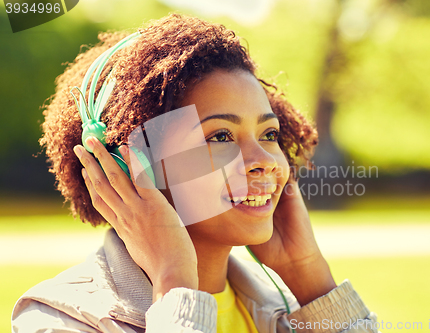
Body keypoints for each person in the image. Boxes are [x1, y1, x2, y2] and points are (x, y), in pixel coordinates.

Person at [12, 14, 378, 333]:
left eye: (269, 134)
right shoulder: (60, 318)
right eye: (220, 136)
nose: (266, 160)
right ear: (127, 169)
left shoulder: (288, 311)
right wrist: (174, 284)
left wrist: (308, 276)